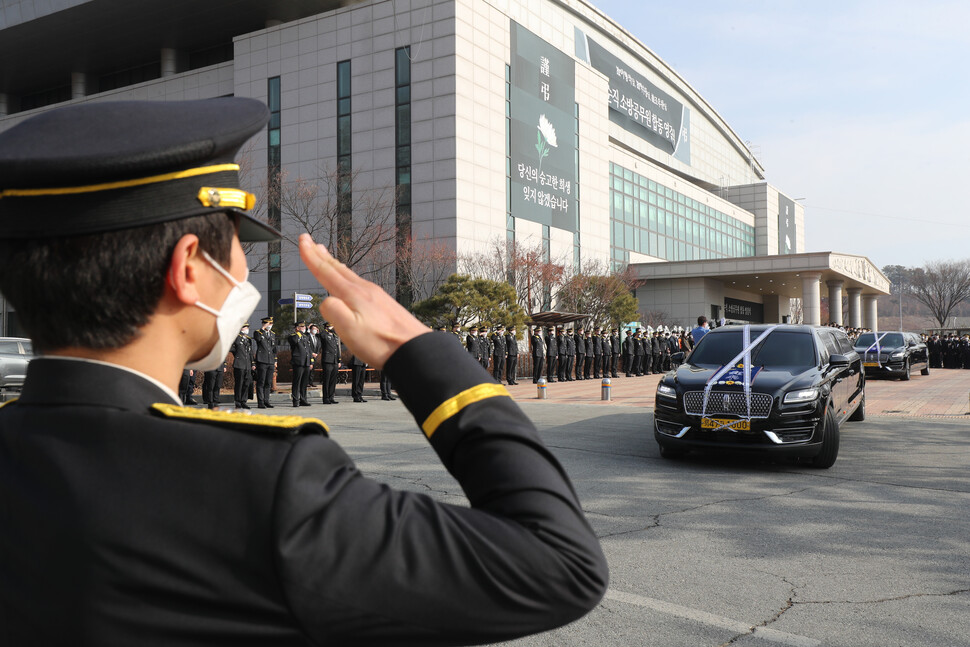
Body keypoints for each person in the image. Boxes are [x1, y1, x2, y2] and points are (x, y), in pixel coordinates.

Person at [0, 97, 606, 646]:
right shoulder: (258, 485)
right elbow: (559, 565)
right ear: (189, 269)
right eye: (238, 243)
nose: (243, 275)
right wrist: (419, 349)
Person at [253, 316, 277, 408]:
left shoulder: (272, 334)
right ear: (263, 324)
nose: (270, 325)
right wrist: (263, 328)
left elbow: (274, 348)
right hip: (262, 360)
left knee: (268, 382)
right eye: (268, 324)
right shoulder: (258, 333)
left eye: (271, 324)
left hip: (270, 360)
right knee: (261, 382)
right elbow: (258, 339)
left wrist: (275, 360)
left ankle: (266, 401)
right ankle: (261, 402)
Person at [230, 323, 255, 409]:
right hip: (239, 364)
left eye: (247, 327)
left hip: (247, 365)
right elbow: (230, 347)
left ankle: (244, 401)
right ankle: (238, 402)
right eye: (245, 327)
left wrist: (253, 363)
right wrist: (237, 354)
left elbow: (250, 352)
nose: (247, 329)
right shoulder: (236, 338)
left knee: (246, 383)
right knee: (239, 383)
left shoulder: (248, 339)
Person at [288, 321, 312, 407]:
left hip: (306, 362)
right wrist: (298, 333)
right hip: (298, 362)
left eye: (304, 327)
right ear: (297, 328)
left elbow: (308, 349)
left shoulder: (305, 337)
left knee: (304, 383)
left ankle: (303, 399)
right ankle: (295, 400)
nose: (303, 328)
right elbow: (294, 341)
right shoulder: (293, 336)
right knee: (297, 382)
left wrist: (311, 361)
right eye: (301, 327)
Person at [320, 321, 341, 404]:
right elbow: (321, 336)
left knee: (333, 380)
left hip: (335, 361)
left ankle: (331, 397)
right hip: (327, 360)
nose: (332, 328)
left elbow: (337, 349)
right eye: (330, 327)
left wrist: (339, 360)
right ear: (326, 327)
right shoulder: (324, 335)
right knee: (327, 380)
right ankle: (326, 398)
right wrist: (325, 330)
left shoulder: (335, 336)